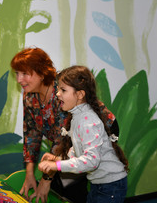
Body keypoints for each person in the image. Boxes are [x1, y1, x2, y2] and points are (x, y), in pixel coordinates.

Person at [10, 47, 116, 203]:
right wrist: (29, 173)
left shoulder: (60, 91)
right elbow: (31, 134)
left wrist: (45, 181)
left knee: (75, 182)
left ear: (41, 72)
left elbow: (62, 138)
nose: (19, 79)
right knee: (64, 182)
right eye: (17, 73)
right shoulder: (29, 95)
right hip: (71, 141)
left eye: (25, 73)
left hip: (100, 131)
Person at [38, 65, 129, 203]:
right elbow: (79, 149)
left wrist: (57, 166)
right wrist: (58, 159)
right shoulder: (78, 117)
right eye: (58, 89)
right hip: (99, 183)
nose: (57, 94)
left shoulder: (88, 121)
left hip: (111, 185)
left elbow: (91, 161)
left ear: (80, 94)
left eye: (63, 90)